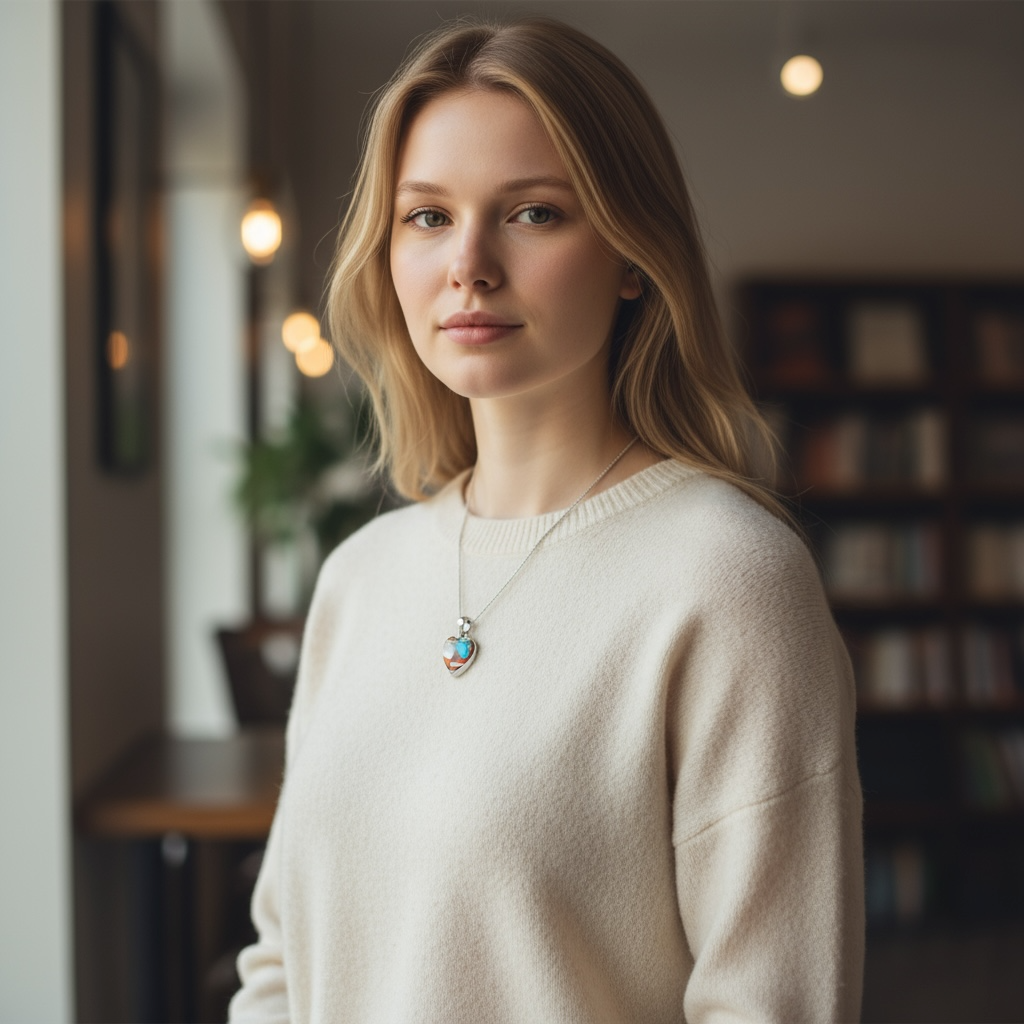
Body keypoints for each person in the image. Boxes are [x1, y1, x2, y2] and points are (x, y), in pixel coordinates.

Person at [229, 16, 864, 1024]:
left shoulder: (728, 577)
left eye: (533, 213)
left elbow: (768, 1004)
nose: (469, 264)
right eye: (427, 216)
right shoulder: (359, 577)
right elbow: (279, 964)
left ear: (631, 252)